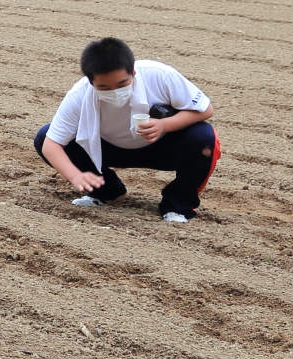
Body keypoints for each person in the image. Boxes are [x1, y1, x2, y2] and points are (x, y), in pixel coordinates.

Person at [35, 37, 220, 225]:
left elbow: (205, 109)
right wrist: (75, 176)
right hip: (109, 149)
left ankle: (178, 205)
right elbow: (51, 145)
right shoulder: (79, 94)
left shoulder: (159, 75)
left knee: (204, 137)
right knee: (44, 136)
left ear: (133, 72)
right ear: (90, 82)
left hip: (163, 147)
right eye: (104, 87)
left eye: (122, 84)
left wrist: (164, 125)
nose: (114, 91)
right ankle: (107, 191)